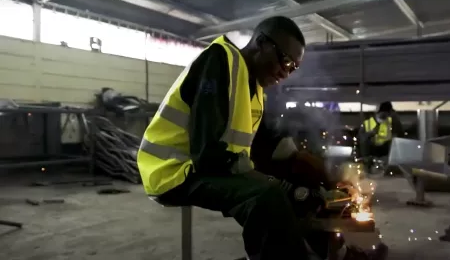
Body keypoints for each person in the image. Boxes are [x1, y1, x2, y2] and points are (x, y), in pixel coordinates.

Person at [137, 16, 332, 260]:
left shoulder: (256, 88)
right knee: (267, 196)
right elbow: (206, 151)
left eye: (293, 67)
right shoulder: (219, 60)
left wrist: (305, 167)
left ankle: (335, 252)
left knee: (299, 186)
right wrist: (279, 185)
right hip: (176, 171)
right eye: (285, 60)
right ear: (261, 43)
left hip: (212, 167)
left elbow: (263, 143)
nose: (286, 72)